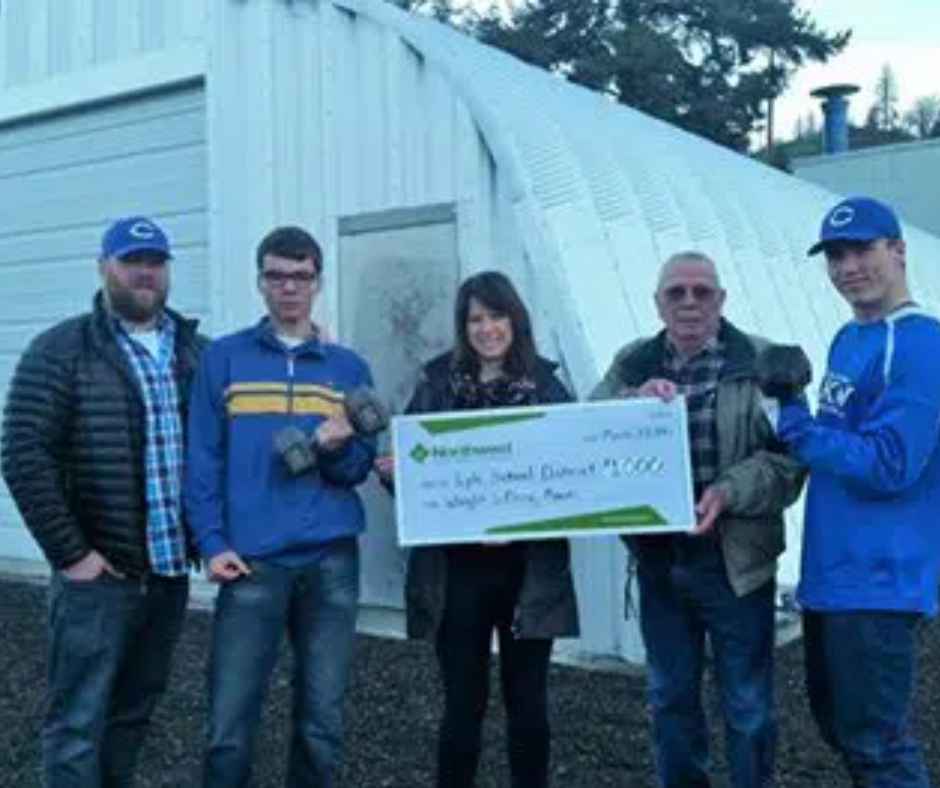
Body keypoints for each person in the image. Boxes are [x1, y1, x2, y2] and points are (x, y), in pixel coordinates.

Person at [0, 216, 204, 788]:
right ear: (103, 267)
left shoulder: (196, 353)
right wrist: (74, 556)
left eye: (155, 261)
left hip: (166, 575)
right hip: (99, 579)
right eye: (131, 260)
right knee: (77, 722)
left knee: (133, 715)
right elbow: (22, 455)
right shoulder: (61, 350)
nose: (144, 272)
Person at [591, 251, 805, 788]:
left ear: (721, 300)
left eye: (701, 291)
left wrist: (728, 492)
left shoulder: (763, 363)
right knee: (669, 699)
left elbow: (790, 462)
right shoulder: (633, 362)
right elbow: (583, 432)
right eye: (676, 292)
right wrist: (629, 403)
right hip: (659, 561)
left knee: (748, 703)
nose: (689, 302)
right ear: (657, 303)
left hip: (735, 562)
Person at [184, 226, 377, 788]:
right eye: (276, 276)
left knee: (321, 723)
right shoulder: (224, 359)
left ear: (318, 282)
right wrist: (212, 542)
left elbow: (356, 469)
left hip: (331, 563)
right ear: (260, 281)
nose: (288, 287)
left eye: (301, 276)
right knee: (228, 724)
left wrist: (335, 448)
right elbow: (202, 461)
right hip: (251, 562)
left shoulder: (347, 368)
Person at [758, 196, 940, 788]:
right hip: (833, 573)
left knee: (877, 744)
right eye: (836, 255)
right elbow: (837, 443)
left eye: (862, 249)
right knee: (844, 732)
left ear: (898, 250)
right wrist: (794, 409)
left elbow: (891, 464)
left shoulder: (919, 344)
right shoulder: (847, 338)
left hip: (878, 577)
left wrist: (796, 424)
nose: (848, 266)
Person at [375, 270, 579, 788]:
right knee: (462, 707)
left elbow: (575, 476)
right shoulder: (436, 385)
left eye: (497, 315)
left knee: (528, 704)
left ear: (516, 319)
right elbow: (412, 478)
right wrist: (395, 474)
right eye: (476, 319)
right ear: (463, 327)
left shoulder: (550, 387)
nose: (487, 328)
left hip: (530, 574)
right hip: (456, 574)